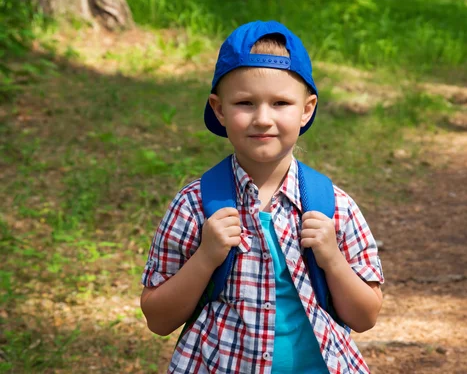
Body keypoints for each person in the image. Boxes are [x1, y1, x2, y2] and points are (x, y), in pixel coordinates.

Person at [140, 20, 384, 374]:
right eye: (245, 103)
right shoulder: (194, 205)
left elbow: (365, 317)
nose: (263, 119)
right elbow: (158, 319)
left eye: (281, 102)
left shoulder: (334, 206)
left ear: (307, 109)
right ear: (219, 109)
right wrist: (206, 256)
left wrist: (332, 259)